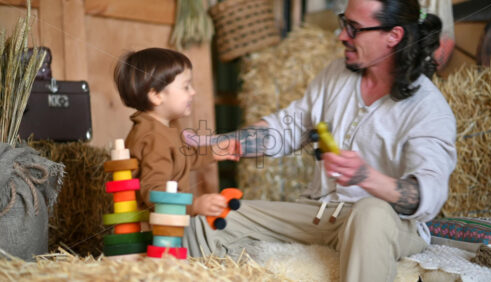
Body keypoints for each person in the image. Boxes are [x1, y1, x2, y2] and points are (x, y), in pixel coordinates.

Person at [183, 0, 457, 281]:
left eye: (354, 28)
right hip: (321, 212)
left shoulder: (428, 108)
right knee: (210, 222)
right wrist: (225, 143)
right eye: (344, 23)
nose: (341, 36)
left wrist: (367, 177)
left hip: (389, 223)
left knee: (370, 212)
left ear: (393, 36)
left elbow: (427, 196)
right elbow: (287, 128)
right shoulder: (336, 74)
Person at [113, 48, 240, 217]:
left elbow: (181, 159)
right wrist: (193, 206)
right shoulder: (154, 137)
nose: (193, 92)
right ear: (156, 95)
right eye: (186, 86)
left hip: (167, 222)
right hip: (152, 231)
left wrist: (213, 152)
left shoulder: (165, 128)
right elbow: (154, 192)